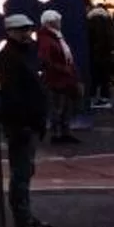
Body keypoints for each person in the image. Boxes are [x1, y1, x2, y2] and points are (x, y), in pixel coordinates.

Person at [0, 16, 51, 227]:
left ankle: (25, 215)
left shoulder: (22, 54)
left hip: (27, 122)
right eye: (22, 30)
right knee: (21, 172)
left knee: (24, 171)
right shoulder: (11, 57)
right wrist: (23, 122)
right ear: (11, 32)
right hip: (22, 123)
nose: (27, 33)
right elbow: (13, 94)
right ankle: (23, 218)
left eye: (28, 29)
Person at [37, 10, 84, 144]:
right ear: (49, 23)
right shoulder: (47, 39)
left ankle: (65, 132)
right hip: (56, 79)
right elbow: (45, 60)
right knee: (57, 107)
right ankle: (57, 134)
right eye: (57, 21)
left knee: (65, 106)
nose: (60, 23)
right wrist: (63, 69)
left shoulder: (57, 37)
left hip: (64, 78)